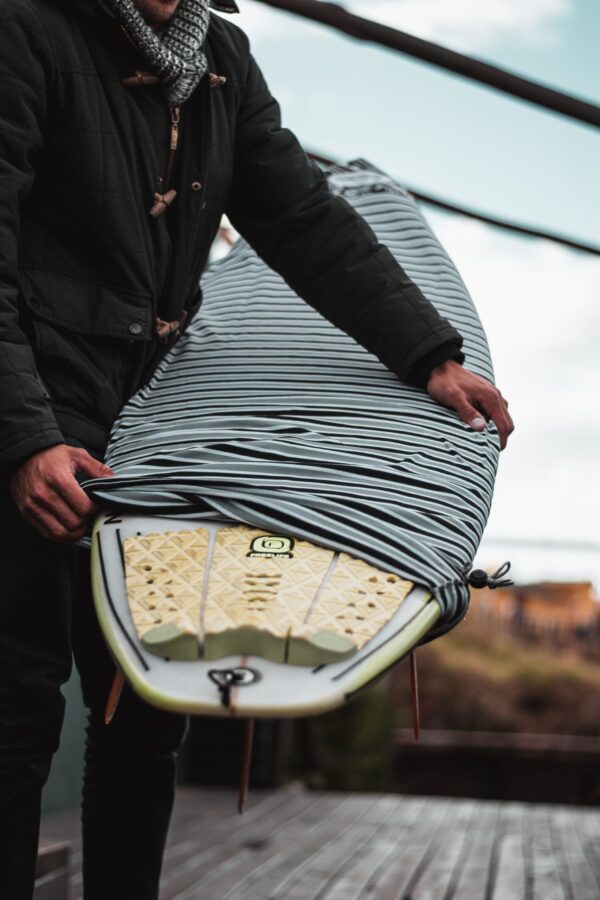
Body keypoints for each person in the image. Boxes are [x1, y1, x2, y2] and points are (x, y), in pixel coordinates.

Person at [0, 0, 514, 896]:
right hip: (39, 403)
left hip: (157, 421)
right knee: (17, 700)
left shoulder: (221, 57)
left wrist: (429, 355)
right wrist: (25, 437)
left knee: (145, 708)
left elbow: (302, 219)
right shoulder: (26, 27)